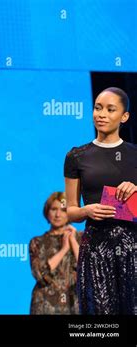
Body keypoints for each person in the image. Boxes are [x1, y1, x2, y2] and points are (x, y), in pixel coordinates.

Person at [64, 87, 137, 314]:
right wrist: (87, 211)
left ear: (124, 116)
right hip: (96, 249)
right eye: (98, 108)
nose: (101, 114)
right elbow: (71, 211)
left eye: (110, 109)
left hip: (133, 248)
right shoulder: (77, 156)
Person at [29, 192, 82, 314]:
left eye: (63, 210)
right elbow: (40, 275)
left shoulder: (81, 238)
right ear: (47, 212)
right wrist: (63, 249)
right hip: (45, 306)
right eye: (53, 209)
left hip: (73, 304)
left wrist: (73, 242)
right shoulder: (37, 242)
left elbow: (88, 271)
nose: (58, 214)